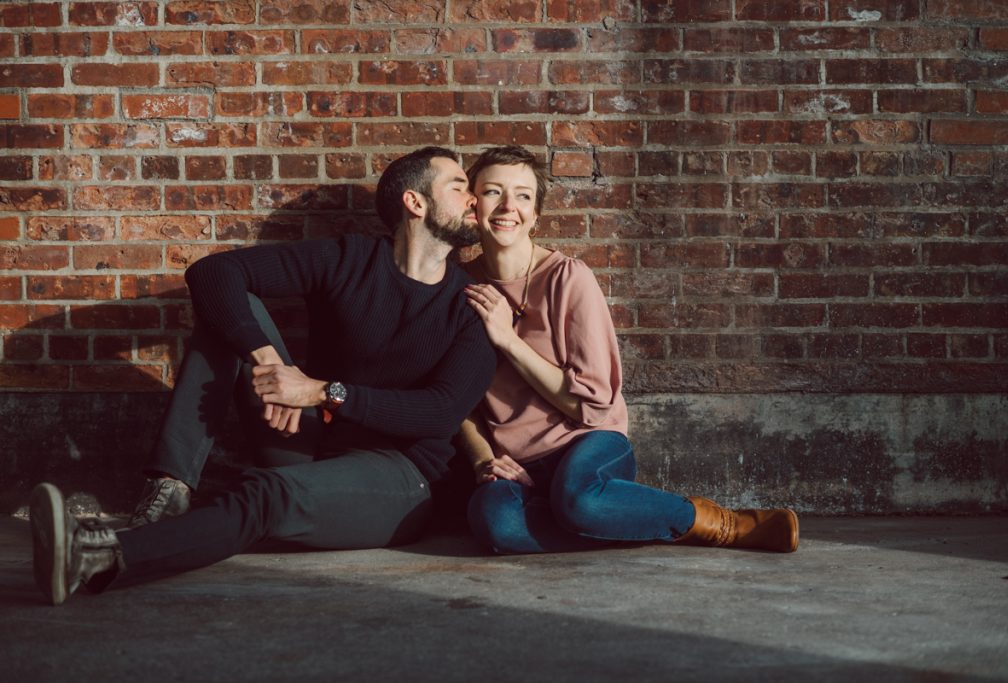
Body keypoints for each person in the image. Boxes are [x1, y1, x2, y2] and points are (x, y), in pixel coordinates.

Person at [30, 146, 497, 605]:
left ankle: (98, 557)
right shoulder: (350, 259)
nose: (475, 199)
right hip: (308, 440)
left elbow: (439, 414)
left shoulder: (473, 307)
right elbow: (214, 272)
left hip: (398, 478)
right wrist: (271, 362)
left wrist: (319, 392)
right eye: (460, 187)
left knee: (267, 494)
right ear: (415, 203)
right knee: (230, 316)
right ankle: (169, 492)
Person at [459, 145, 799, 554]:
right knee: (494, 522)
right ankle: (611, 518)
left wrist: (508, 340)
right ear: (472, 205)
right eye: (494, 192)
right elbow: (456, 400)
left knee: (580, 498)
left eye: (524, 195)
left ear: (536, 216)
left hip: (588, 444)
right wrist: (483, 461)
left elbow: (592, 403)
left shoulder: (569, 278)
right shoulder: (459, 287)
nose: (508, 206)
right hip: (516, 462)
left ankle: (719, 524)